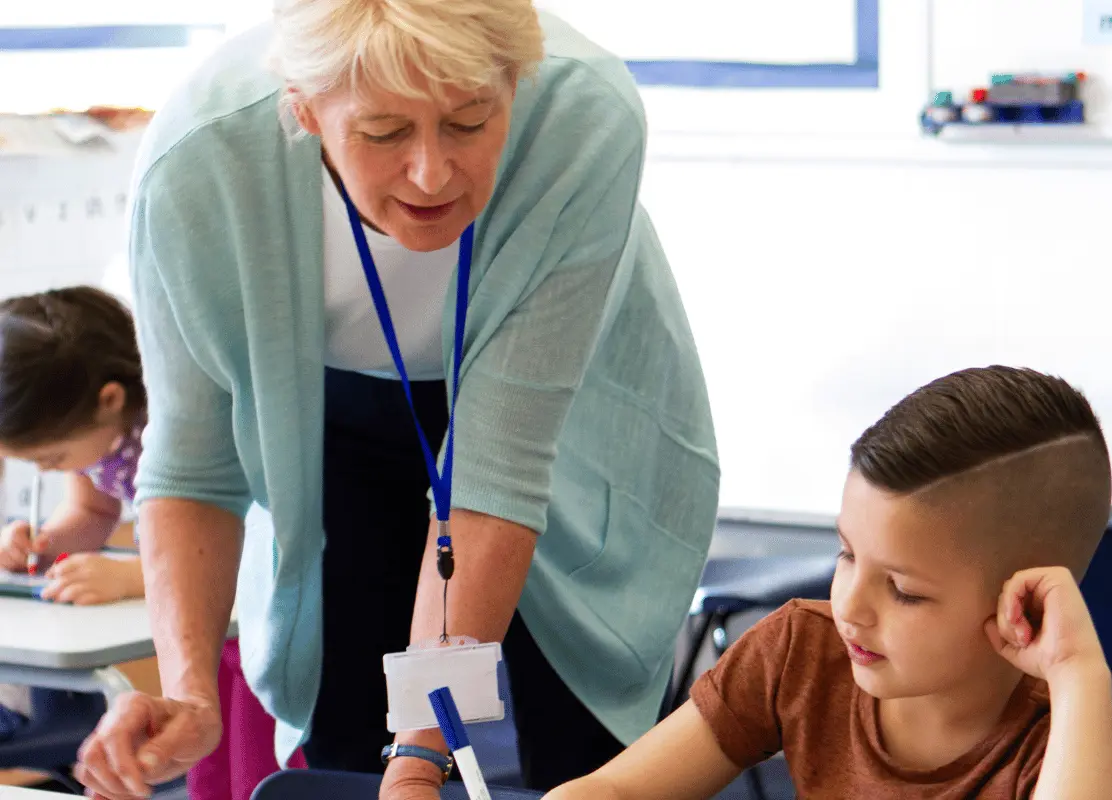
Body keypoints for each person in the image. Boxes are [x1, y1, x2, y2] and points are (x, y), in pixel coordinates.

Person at [72, 1, 719, 798]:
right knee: (348, 734)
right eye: (383, 133)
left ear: (517, 84)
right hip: (334, 418)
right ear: (304, 111)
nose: (431, 172)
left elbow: (496, 471)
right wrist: (189, 695)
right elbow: (194, 468)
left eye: (470, 121)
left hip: (571, 418)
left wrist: (421, 754)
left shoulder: (583, 111)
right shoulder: (199, 160)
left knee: (593, 755)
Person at [545, 366, 1112, 800]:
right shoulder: (799, 653)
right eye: (846, 554)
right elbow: (621, 788)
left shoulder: (1071, 745)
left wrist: (1078, 673)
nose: (850, 609)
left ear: (1025, 604)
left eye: (905, 591)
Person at [0, 287, 304, 800]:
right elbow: (92, 511)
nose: (50, 470)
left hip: (255, 614)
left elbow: (250, 540)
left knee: (258, 759)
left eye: (52, 457)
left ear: (110, 399)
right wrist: (45, 542)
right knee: (204, 752)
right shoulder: (94, 437)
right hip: (198, 626)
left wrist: (133, 575)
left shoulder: (186, 423)